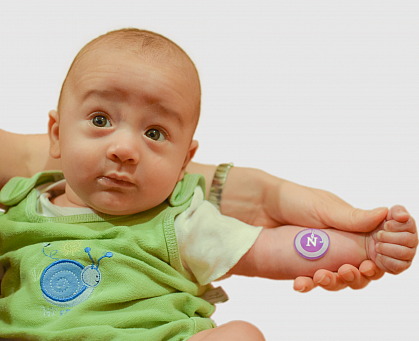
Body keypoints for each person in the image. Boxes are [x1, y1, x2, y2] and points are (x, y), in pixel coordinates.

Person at [0, 29, 416, 340]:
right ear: (55, 133)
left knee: (241, 335)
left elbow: (268, 250)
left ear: (185, 161)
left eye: (155, 133)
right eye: (100, 120)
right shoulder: (17, 205)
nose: (124, 148)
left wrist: (366, 246)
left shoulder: (182, 221)